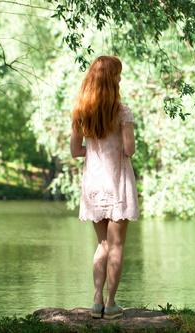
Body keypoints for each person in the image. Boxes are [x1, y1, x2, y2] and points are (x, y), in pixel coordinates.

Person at [70, 56, 139, 319]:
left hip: (93, 185)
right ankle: (111, 304)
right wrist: (116, 147)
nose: (120, 78)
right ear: (111, 78)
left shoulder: (81, 111)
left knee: (102, 244)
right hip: (118, 183)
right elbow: (129, 149)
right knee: (117, 244)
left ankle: (96, 301)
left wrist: (96, 149)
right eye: (118, 74)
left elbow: (76, 151)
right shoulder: (122, 111)